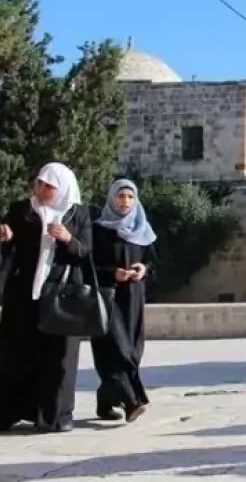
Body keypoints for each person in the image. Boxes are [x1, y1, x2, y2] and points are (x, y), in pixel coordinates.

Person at [0, 163, 91, 433]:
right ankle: (7, 412)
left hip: (60, 294)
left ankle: (56, 416)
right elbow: (9, 244)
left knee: (58, 357)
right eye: (39, 184)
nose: (42, 190)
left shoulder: (76, 213)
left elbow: (84, 252)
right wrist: (6, 236)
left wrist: (68, 238)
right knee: (16, 352)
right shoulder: (21, 209)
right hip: (23, 293)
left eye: (50, 186)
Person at [90, 179, 157, 424]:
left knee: (132, 351)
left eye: (130, 196)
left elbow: (155, 264)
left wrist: (143, 269)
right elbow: (88, 267)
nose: (125, 201)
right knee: (118, 351)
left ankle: (105, 402)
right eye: (121, 196)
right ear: (111, 198)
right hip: (107, 297)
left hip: (133, 299)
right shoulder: (98, 230)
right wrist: (112, 273)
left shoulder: (143, 230)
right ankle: (132, 402)